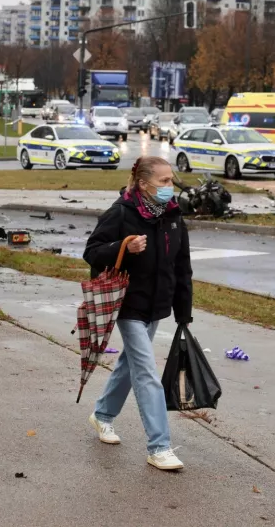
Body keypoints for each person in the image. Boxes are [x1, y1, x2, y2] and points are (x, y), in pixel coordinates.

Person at [83, 156, 193, 472]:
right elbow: (92, 251)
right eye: (164, 181)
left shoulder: (173, 217)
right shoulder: (121, 212)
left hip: (156, 306)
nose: (170, 187)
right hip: (128, 304)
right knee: (146, 371)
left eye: (171, 180)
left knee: (130, 363)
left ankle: (102, 415)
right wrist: (124, 246)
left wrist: (183, 312)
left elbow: (182, 267)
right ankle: (159, 447)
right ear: (143, 184)